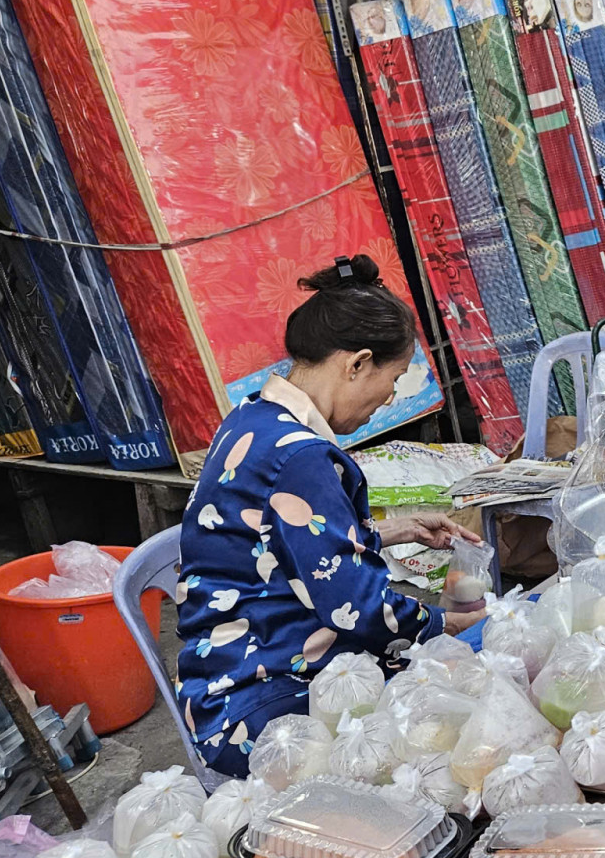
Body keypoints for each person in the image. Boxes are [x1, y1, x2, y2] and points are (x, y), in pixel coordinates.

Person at [175, 257, 479, 775]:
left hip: (216, 678)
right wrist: (447, 623)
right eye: (395, 379)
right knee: (470, 667)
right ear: (357, 363)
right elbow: (357, 610)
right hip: (261, 703)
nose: (388, 400)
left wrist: (386, 532)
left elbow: (281, 545)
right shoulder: (302, 457)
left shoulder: (253, 416)